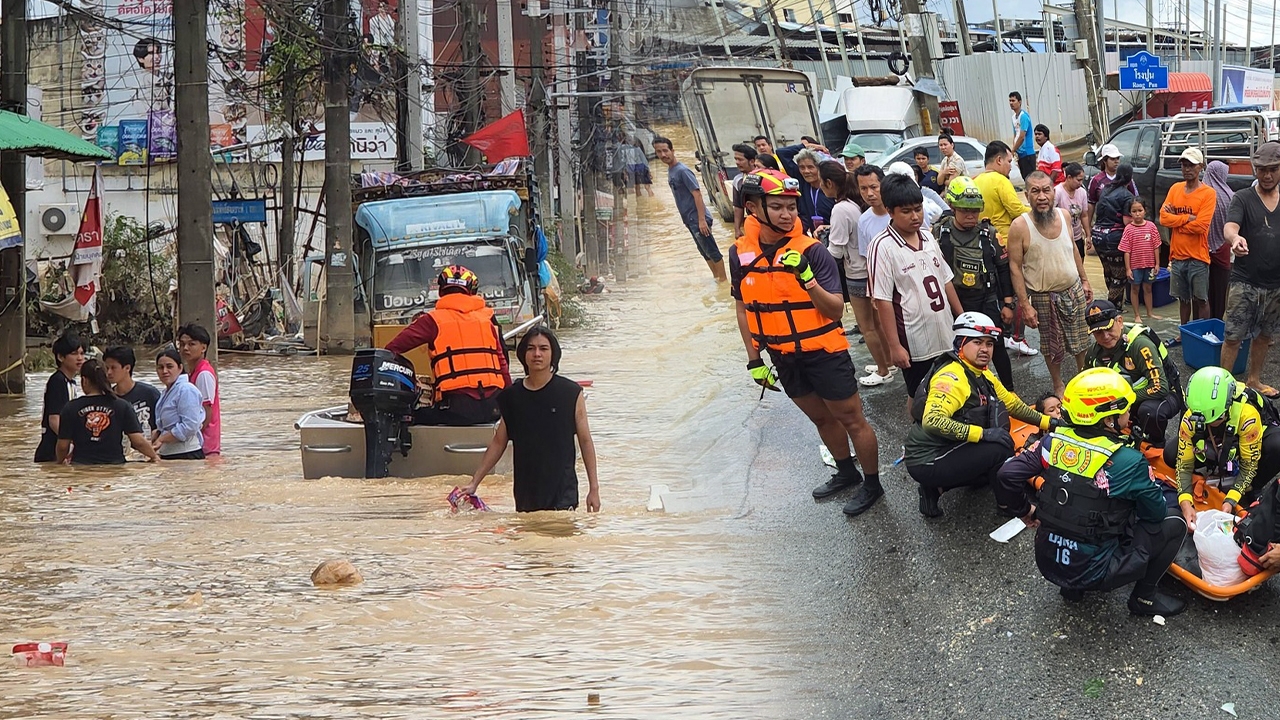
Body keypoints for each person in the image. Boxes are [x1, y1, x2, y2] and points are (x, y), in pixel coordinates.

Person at [729, 169, 881, 515]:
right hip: (784, 355)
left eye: (792, 208)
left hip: (825, 353)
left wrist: (808, 279)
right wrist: (754, 360)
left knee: (852, 420)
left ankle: (872, 484)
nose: (787, 214)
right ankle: (846, 472)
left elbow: (834, 312)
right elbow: (742, 309)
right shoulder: (739, 253)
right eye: (778, 207)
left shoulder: (812, 252)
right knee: (821, 420)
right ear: (753, 208)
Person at [995, 367, 1187, 617]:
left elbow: (1006, 475)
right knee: (1174, 523)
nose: (1129, 416)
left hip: (1047, 560)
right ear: (1108, 419)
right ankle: (1144, 597)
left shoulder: (1051, 442)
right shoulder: (1128, 460)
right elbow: (1154, 513)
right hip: (1096, 571)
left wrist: (1025, 510)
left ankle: (1071, 589)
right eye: (1125, 411)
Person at [906, 312, 1053, 518]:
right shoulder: (953, 377)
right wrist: (983, 435)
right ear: (960, 343)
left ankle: (935, 489)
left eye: (989, 344)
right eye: (977, 342)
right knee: (1001, 448)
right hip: (928, 458)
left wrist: (1050, 422)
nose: (985, 349)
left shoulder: (981, 372)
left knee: (993, 470)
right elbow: (933, 421)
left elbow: (1013, 405)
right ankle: (1010, 506)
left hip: (946, 447)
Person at [463, 327, 600, 513]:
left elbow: (585, 441)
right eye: (531, 348)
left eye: (543, 349)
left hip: (562, 493)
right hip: (525, 494)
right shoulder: (512, 397)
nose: (537, 354)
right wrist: (474, 482)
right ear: (523, 354)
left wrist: (594, 489)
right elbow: (498, 442)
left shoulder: (570, 393)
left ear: (553, 355)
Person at [869, 173, 963, 421]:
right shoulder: (882, 246)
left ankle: (943, 435)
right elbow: (882, 300)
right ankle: (918, 440)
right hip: (914, 339)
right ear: (889, 210)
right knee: (919, 394)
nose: (915, 216)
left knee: (948, 385)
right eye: (906, 211)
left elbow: (945, 279)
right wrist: (894, 346)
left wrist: (963, 319)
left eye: (918, 209)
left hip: (944, 330)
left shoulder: (928, 237)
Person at [385, 265, 512, 425]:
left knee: (405, 415)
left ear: (440, 292)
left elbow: (390, 350)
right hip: (494, 408)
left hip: (456, 410)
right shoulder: (487, 319)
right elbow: (502, 363)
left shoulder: (431, 320)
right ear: (472, 291)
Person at [1008, 171, 1093, 397]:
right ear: (1027, 196)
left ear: (1054, 192)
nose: (1042, 196)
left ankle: (1083, 377)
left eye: (1046, 190)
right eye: (1035, 191)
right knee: (1051, 346)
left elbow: (1074, 249)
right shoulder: (1019, 226)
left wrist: (1085, 280)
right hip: (1044, 296)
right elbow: (1015, 267)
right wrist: (1025, 305)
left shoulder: (1065, 216)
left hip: (1072, 289)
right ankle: (1058, 385)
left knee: (1081, 340)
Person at [1169, 366, 1280, 529]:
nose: (1208, 424)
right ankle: (1216, 468)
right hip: (1220, 442)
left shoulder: (1247, 415)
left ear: (1227, 407)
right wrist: (1185, 501)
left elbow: (1249, 466)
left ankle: (1252, 487)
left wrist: (1231, 499)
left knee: (1277, 446)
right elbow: (1183, 463)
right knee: (1171, 453)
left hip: (1252, 439)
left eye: (1213, 420)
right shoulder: (1193, 413)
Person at [937, 176, 1016, 388]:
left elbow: (1003, 268)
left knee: (996, 347)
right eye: (965, 210)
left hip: (986, 299)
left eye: (975, 211)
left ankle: (1010, 393)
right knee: (959, 349)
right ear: (952, 206)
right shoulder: (939, 232)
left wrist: (1008, 304)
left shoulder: (989, 234)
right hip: (955, 301)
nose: (971, 216)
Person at [820, 161, 893, 387]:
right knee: (876, 325)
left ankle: (884, 370)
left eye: (874, 187)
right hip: (868, 274)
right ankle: (887, 362)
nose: (869, 193)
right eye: (864, 189)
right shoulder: (861, 214)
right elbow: (864, 251)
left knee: (868, 326)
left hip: (862, 275)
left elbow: (837, 250)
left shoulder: (843, 209)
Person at [1223, 141, 1280, 398]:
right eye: (1262, 169)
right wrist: (1235, 239)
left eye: (1274, 169)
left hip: (1275, 284)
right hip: (1244, 280)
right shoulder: (1242, 198)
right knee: (1233, 336)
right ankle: (1224, 384)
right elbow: (1230, 227)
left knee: (1264, 335)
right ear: (1254, 169)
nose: (1267, 175)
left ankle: (1254, 380)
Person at [1083, 300, 1183, 445]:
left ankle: (1157, 442)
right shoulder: (1093, 352)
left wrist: (1122, 402)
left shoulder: (1140, 345)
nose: (1105, 336)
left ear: (1120, 321)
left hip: (1166, 392)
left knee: (1149, 412)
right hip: (1125, 398)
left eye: (1109, 328)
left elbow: (1160, 386)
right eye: (1098, 332)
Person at [974, 140, 1036, 357]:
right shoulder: (1000, 181)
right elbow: (1017, 209)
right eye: (1009, 161)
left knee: (997, 293)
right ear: (999, 160)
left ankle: (1002, 333)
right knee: (1018, 292)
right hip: (1006, 245)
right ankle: (1017, 337)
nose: (1011, 166)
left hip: (983, 246)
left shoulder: (976, 181)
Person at [56, 359, 160, 465]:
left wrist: (60, 462)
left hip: (81, 467)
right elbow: (138, 441)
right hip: (115, 468)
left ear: (84, 380)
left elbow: (63, 446)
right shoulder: (122, 405)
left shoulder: (71, 407)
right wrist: (154, 457)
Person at [654, 136, 726, 282]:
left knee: (712, 251)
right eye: (659, 152)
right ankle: (717, 279)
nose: (663, 155)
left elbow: (697, 194)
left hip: (698, 219)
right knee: (704, 252)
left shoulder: (682, 171)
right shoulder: (672, 170)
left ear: (673, 150)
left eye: (665, 151)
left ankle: (724, 281)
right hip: (690, 219)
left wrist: (701, 220)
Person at [1160, 147, 1215, 324]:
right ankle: (1184, 333)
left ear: (1201, 167)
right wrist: (1186, 218)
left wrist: (1176, 221)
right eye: (1184, 165)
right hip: (1177, 256)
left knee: (1201, 299)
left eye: (1191, 165)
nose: (1187, 169)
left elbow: (1201, 226)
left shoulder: (1208, 193)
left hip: (1198, 257)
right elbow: (1163, 218)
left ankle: (1204, 333)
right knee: (1183, 300)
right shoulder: (1175, 189)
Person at [35, 332, 85, 463]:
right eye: (74, 354)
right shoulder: (58, 381)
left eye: (82, 353)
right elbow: (54, 420)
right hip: (52, 450)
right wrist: (75, 441)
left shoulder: (71, 382)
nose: (80, 358)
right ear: (61, 357)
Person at [1092, 163, 1137, 308]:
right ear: (1130, 178)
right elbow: (1126, 221)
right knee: (1119, 277)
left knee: (1108, 273)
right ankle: (1112, 310)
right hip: (1113, 239)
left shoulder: (1106, 189)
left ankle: (1112, 305)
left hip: (1098, 236)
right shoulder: (1127, 196)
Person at [151, 347, 205, 460]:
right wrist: (158, 433)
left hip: (187, 454)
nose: (164, 371)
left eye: (169, 367)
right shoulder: (166, 392)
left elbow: (190, 426)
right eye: (160, 368)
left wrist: (162, 439)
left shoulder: (186, 390)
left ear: (180, 368)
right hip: (169, 453)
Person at [177, 323, 221, 456]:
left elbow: (207, 412)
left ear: (203, 347)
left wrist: (192, 436)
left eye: (191, 344)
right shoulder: (193, 372)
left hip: (205, 445)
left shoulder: (204, 374)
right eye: (182, 344)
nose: (185, 348)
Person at [1120, 198, 1162, 324]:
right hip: (1135, 266)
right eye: (1134, 211)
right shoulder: (1128, 229)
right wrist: (1128, 269)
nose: (1137, 213)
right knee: (1135, 289)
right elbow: (1126, 250)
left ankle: (1150, 313)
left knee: (1148, 288)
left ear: (1145, 211)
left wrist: (1157, 264)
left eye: (1140, 210)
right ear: (1130, 213)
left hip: (1149, 265)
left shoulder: (1151, 226)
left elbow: (1156, 246)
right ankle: (1137, 315)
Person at [103, 346, 161, 436]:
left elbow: (162, 424)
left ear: (127, 368)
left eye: (113, 368)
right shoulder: (106, 397)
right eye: (107, 368)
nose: (109, 372)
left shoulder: (150, 393)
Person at [1204, 160, 1236, 319]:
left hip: (1201, 249)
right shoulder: (1231, 196)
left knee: (1203, 292)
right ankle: (1217, 320)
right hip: (1223, 248)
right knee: (1221, 289)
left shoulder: (1200, 193)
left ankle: (1202, 323)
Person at [1055, 162, 1092, 259]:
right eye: (1078, 180)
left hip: (1077, 236)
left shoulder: (1082, 192)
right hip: (1062, 237)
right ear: (1069, 177)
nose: (1080, 183)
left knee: (1080, 263)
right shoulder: (1057, 192)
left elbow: (1084, 215)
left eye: (1082, 180)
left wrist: (1088, 235)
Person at [794, 149, 836, 234]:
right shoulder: (803, 186)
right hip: (816, 236)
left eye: (810, 167)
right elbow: (782, 153)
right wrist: (806, 146)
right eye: (802, 167)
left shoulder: (830, 188)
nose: (806, 171)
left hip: (835, 235)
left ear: (819, 168)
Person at [1087, 143, 1138, 207]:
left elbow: (1135, 200)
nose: (1116, 161)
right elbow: (1091, 203)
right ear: (1105, 161)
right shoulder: (1096, 180)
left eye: (1118, 158)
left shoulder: (1126, 178)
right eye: (1113, 159)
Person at [731, 142, 761, 237]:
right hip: (752, 223)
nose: (737, 162)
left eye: (740, 159)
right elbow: (738, 207)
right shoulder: (738, 181)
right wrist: (737, 229)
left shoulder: (763, 177)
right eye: (736, 159)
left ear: (752, 161)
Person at [1009, 91, 1037, 182]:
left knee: (1031, 180)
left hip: (1027, 153)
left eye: (1013, 100)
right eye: (1010, 101)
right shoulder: (1013, 117)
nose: (1011, 103)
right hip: (1020, 154)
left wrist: (1012, 150)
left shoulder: (1023, 116)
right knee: (1025, 178)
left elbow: (1021, 136)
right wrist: (1015, 150)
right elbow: (1015, 135)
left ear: (1019, 102)